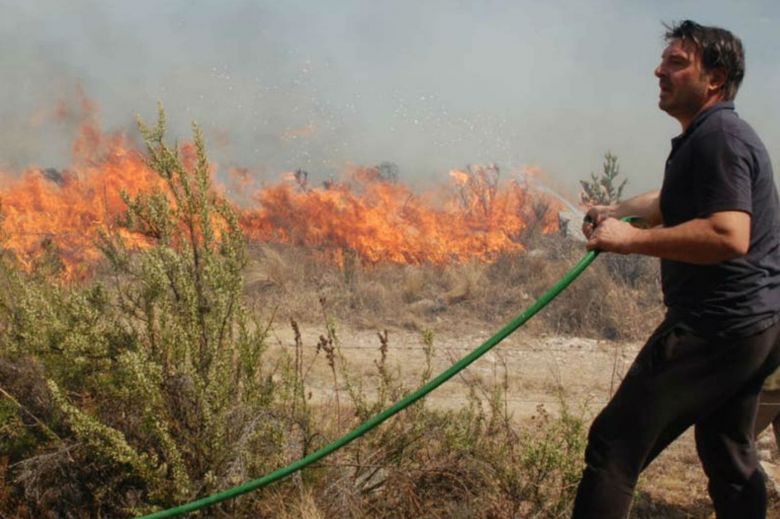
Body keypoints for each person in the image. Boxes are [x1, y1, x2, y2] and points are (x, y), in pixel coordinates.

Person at [572, 20, 780, 519]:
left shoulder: (720, 139)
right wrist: (618, 210)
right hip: (757, 325)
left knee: (614, 445)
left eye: (676, 63)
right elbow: (674, 200)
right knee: (728, 452)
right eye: (663, 61)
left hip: (717, 327)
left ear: (715, 78)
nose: (658, 71)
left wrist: (633, 241)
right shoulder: (710, 134)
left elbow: (729, 235)